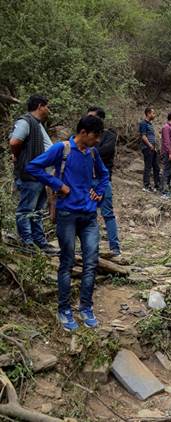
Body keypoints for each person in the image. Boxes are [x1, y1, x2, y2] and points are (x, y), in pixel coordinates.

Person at [26, 115, 110, 331]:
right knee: (67, 262)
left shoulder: (92, 153)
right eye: (95, 135)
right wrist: (58, 185)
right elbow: (33, 167)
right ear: (83, 132)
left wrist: (99, 192)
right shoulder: (61, 149)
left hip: (89, 216)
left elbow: (104, 174)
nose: (97, 140)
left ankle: (86, 307)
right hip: (67, 215)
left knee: (91, 262)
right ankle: (64, 309)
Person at [8, 94, 57, 254]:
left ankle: (39, 243)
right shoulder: (25, 121)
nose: (48, 110)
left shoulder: (36, 123)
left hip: (40, 176)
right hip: (29, 175)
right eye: (47, 106)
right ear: (40, 106)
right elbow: (15, 142)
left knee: (37, 211)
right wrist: (17, 156)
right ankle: (26, 244)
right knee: (26, 210)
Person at [87, 107, 123, 260]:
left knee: (108, 214)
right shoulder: (84, 135)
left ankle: (115, 248)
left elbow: (106, 151)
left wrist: (90, 149)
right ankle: (90, 248)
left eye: (92, 117)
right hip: (87, 181)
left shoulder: (109, 135)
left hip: (103, 180)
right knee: (88, 214)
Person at [139, 107, 160, 192]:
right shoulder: (143, 123)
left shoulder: (150, 124)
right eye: (153, 113)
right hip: (147, 148)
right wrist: (150, 145)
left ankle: (157, 185)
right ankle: (146, 185)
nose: (154, 115)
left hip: (152, 148)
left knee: (156, 167)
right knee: (148, 167)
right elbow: (143, 136)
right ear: (148, 113)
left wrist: (154, 147)